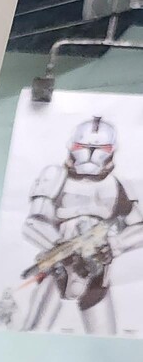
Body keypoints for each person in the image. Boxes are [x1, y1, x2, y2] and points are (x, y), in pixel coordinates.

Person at [21, 114, 142, 333]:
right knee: (33, 332)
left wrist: (115, 245)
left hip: (97, 272)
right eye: (83, 147)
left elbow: (139, 227)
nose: (91, 155)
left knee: (106, 339)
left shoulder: (118, 184)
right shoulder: (56, 176)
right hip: (59, 268)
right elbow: (33, 224)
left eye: (100, 149)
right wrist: (59, 247)